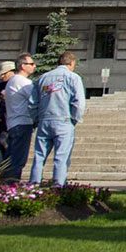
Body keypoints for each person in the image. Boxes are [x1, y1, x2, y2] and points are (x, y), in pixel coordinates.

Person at [29, 51, 86, 186]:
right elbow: (79, 102)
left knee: (39, 155)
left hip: (44, 120)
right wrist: (74, 119)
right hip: (63, 120)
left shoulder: (43, 78)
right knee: (61, 156)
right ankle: (58, 185)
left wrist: (36, 119)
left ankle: (33, 184)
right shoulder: (73, 77)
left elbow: (32, 103)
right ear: (71, 63)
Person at [3, 53, 37, 182]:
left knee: (11, 158)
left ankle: (5, 187)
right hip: (22, 123)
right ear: (23, 66)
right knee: (17, 159)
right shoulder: (23, 82)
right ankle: (10, 187)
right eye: (31, 64)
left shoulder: (13, 80)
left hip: (14, 123)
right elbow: (35, 99)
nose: (35, 66)